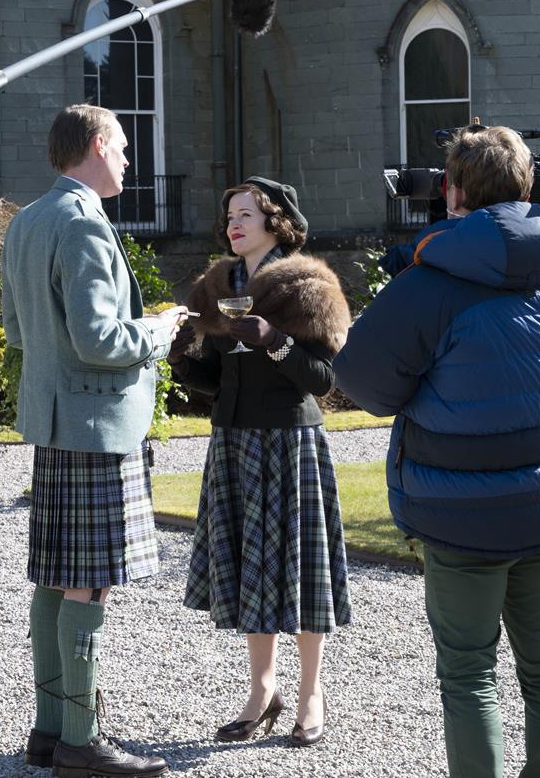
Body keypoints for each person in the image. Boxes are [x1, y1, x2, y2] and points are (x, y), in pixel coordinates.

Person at [334, 126, 540, 778]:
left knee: (468, 675)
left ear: (453, 190)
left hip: (460, 513)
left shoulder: (426, 285)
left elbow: (363, 382)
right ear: (525, 185)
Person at [0, 104, 187, 777]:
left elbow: (19, 332)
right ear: (99, 144)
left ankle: (49, 733)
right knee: (89, 586)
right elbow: (101, 338)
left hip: (55, 421)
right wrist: (159, 331)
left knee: (57, 579)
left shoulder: (27, 219)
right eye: (126, 148)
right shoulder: (82, 222)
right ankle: (82, 740)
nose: (131, 162)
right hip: (97, 425)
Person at [170, 178, 352, 747]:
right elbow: (217, 381)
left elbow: (323, 380)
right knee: (253, 568)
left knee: (300, 571)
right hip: (233, 442)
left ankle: (310, 694)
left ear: (276, 221)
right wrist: (177, 355)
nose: (234, 224)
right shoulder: (217, 285)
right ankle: (261, 691)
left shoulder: (310, 286)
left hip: (290, 441)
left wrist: (274, 339)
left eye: (246, 214)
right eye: (229, 215)